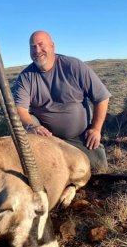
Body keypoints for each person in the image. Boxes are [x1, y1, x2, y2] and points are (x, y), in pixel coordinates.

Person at [14, 31, 111, 172]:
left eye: (41, 45)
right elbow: (20, 110)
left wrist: (96, 129)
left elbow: (101, 98)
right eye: (32, 47)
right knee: (40, 171)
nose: (37, 50)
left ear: (52, 46)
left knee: (99, 167)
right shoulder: (25, 77)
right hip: (47, 140)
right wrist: (31, 127)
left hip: (78, 136)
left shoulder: (74, 66)